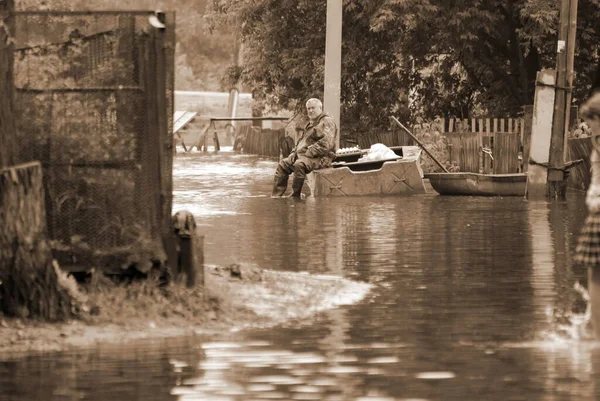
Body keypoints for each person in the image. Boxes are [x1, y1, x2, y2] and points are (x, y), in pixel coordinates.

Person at [272, 98, 338, 198]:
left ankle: (295, 196)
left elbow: (326, 144)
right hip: (305, 156)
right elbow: (301, 142)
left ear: (320, 108)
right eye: (308, 109)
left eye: (313, 108)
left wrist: (308, 152)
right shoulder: (310, 124)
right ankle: (276, 196)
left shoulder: (327, 121)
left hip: (321, 158)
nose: (310, 111)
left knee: (299, 164)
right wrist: (294, 153)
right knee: (283, 164)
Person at [574, 92, 600, 337]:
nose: (588, 127)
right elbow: (597, 179)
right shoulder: (596, 145)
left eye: (592, 120)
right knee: (594, 271)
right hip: (598, 213)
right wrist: (593, 196)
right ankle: (595, 326)